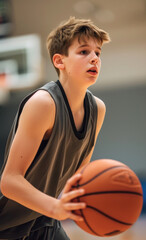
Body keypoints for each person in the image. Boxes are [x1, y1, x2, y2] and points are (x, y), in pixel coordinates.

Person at [0, 16, 110, 239]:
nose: (94, 59)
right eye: (84, 52)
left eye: (98, 53)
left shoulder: (97, 109)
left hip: (44, 220)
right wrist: (55, 207)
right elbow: (9, 181)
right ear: (59, 61)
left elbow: (80, 176)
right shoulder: (43, 103)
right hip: (8, 227)